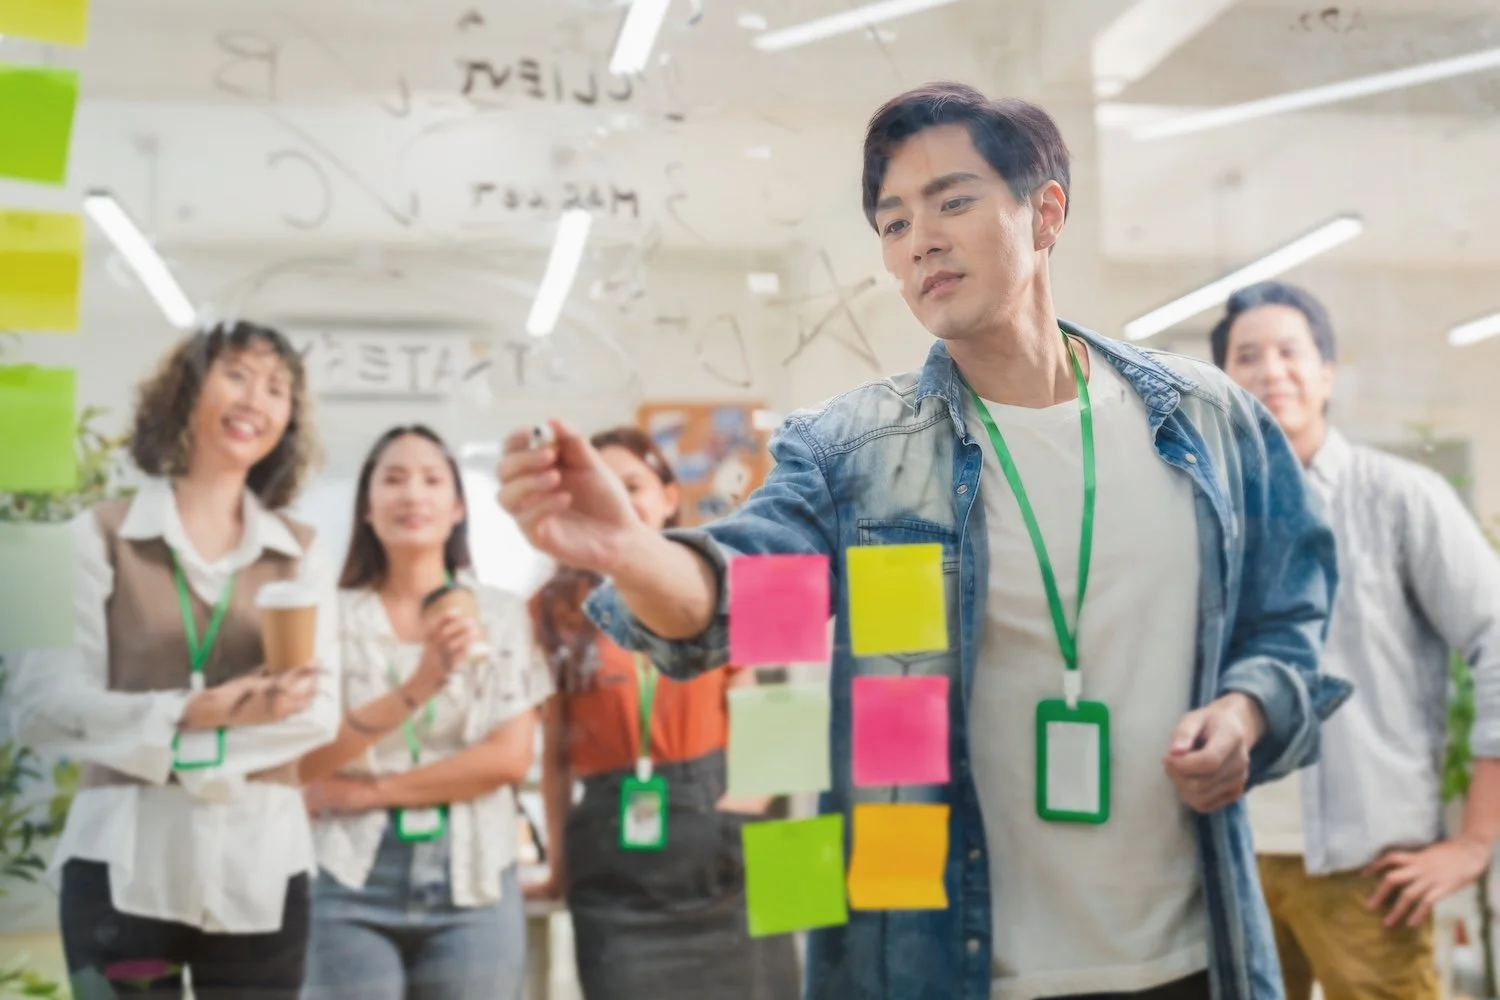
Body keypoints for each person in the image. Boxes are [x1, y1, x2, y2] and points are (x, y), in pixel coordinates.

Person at [497, 83, 1351, 1000]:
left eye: (952, 201)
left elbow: (1290, 617)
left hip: (1194, 954)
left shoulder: (1206, 419)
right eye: (894, 222)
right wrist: (629, 550)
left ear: (1046, 213)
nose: (921, 241)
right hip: (951, 964)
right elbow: (742, 590)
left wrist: (1247, 713)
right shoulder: (858, 454)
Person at [7, 321, 339, 998]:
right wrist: (198, 709)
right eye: (237, 375)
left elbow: (317, 716)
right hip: (121, 864)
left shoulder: (305, 549)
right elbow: (40, 707)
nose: (257, 400)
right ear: (185, 391)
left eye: (278, 389)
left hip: (260, 867)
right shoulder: (88, 535)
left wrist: (159, 738)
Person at [1212, 281, 1500, 1000]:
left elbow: (1496, 637)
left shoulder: (1402, 498)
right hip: (1232, 855)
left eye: (1289, 351)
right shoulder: (1208, 512)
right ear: (1224, 381)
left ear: (1328, 372)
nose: (1270, 371)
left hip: (1369, 870)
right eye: (1248, 356)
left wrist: (1474, 840)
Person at [523, 426, 799, 1000]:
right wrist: (557, 863)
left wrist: (737, 814)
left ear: (669, 496)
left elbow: (770, 710)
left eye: (634, 486)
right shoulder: (554, 609)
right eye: (603, 490)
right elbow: (554, 751)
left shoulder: (717, 583)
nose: (619, 503)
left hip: (727, 837)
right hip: (613, 854)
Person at [298, 425, 551, 1000]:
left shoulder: (500, 613)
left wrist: (365, 790)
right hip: (348, 873)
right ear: (367, 505)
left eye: (432, 480)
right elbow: (310, 763)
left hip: (476, 878)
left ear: (458, 506)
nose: (413, 495)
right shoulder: (327, 618)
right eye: (393, 479)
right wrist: (421, 684)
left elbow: (507, 759)